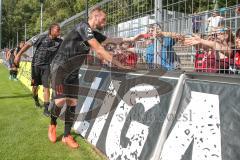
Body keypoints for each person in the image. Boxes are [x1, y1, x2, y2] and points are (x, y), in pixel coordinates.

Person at [48, 7, 132, 149]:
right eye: (103, 19)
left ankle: (67, 135)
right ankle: (52, 124)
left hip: (73, 71)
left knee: (73, 102)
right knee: (61, 101)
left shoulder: (94, 33)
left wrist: (132, 38)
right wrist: (119, 64)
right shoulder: (82, 26)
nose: (105, 23)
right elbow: (99, 49)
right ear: (95, 16)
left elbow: (112, 40)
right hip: (60, 68)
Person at [15, 23, 62, 116]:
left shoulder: (59, 42)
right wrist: (18, 55)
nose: (59, 32)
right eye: (57, 30)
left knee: (46, 87)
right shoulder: (41, 37)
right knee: (35, 87)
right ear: (51, 30)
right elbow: (28, 44)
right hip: (35, 65)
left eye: (59, 30)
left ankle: (46, 109)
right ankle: (36, 99)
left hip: (46, 66)